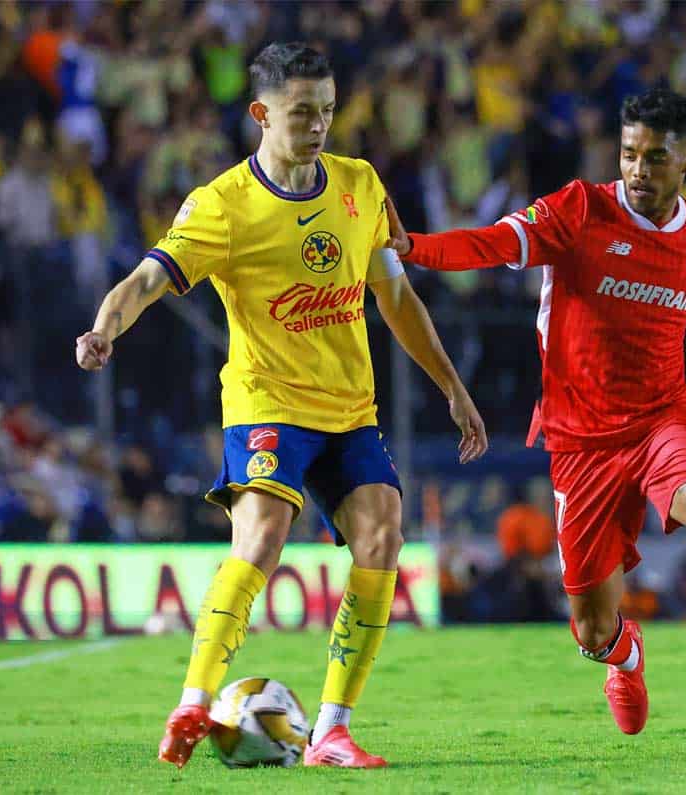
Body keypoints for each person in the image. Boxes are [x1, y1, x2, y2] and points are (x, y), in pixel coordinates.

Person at [390, 88, 686, 735]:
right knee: (590, 626)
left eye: (656, 157)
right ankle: (624, 656)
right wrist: (416, 247)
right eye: (630, 153)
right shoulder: (580, 210)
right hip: (580, 440)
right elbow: (496, 243)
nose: (639, 169)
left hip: (661, 419)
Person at [75, 43, 487, 769]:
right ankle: (193, 702)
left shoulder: (360, 184)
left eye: (327, 110)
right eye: (302, 113)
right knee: (263, 535)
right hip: (266, 400)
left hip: (350, 407)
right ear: (261, 113)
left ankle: (331, 730)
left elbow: (396, 297)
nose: (318, 125)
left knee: (383, 535)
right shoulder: (222, 204)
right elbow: (146, 280)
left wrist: (452, 387)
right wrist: (105, 328)